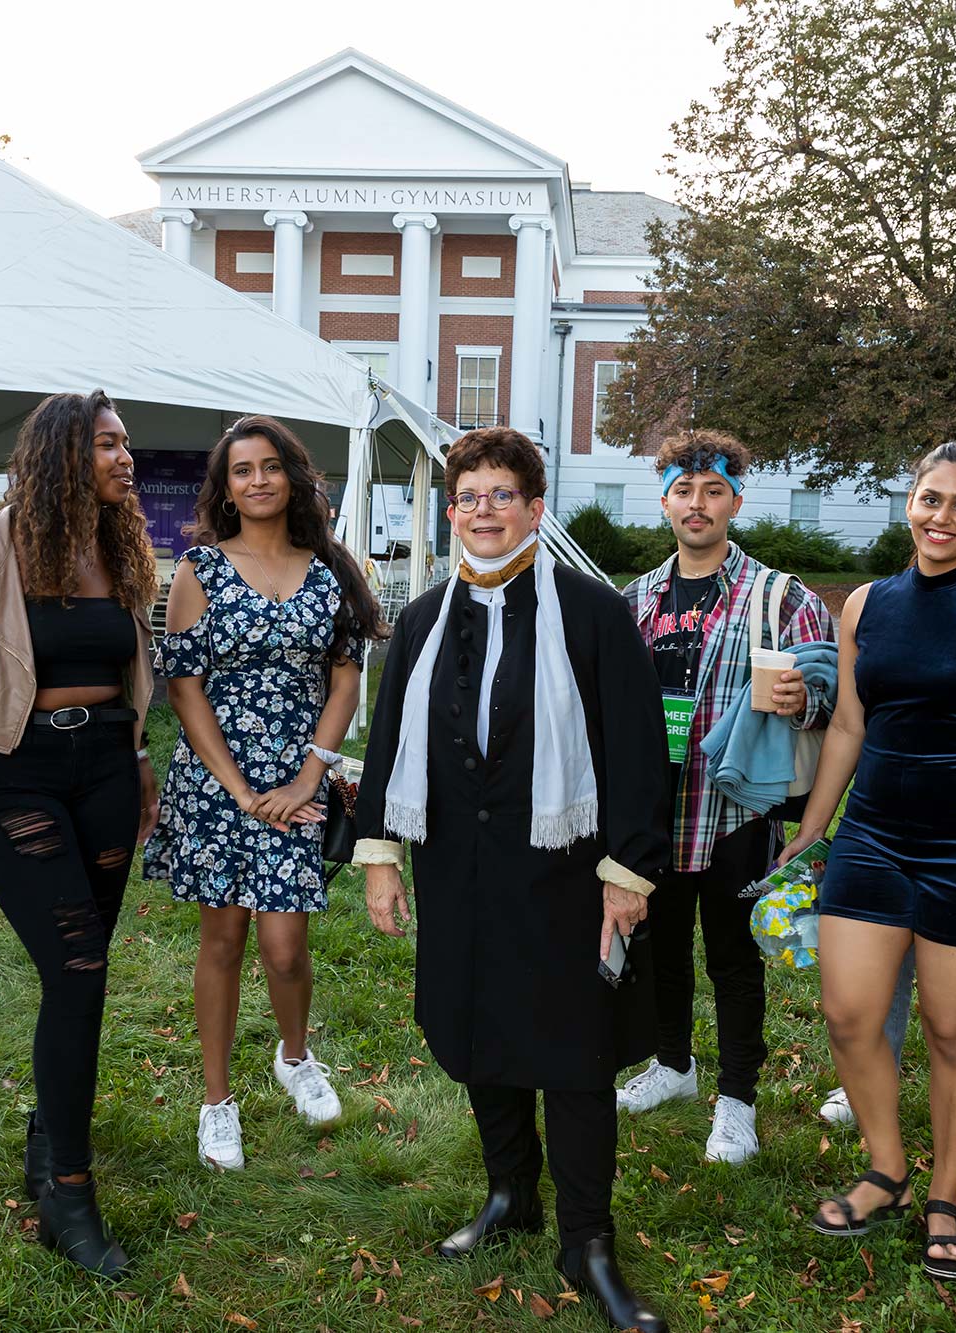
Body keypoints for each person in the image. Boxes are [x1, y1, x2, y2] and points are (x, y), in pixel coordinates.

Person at [355, 427, 673, 1333]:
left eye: (502, 495)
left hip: (570, 873)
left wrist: (628, 872)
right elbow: (387, 747)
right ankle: (510, 1194)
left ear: (536, 509)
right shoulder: (420, 617)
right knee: (478, 1029)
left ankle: (588, 1237)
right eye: (469, 497)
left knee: (573, 1054)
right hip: (458, 868)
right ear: (451, 510)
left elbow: (639, 753)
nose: (483, 512)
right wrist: (381, 857)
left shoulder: (592, 611)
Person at [783, 441, 956, 1283]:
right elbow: (850, 728)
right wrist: (812, 828)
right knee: (850, 1013)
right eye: (929, 499)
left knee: (951, 1029)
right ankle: (885, 1169)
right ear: (910, 501)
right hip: (872, 835)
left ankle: (946, 1196)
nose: (941, 518)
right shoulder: (866, 603)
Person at [0, 391, 159, 1275]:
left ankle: (46, 1130)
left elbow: (127, 667)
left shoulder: (118, 545)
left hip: (105, 766)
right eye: (108, 445)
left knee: (84, 965)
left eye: (126, 445)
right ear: (65, 451)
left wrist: (138, 758)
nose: (125, 459)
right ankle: (69, 1184)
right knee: (77, 968)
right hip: (12, 768)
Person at [144, 415, 381, 1172]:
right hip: (219, 779)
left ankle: (295, 1054)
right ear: (226, 487)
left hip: (299, 774)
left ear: (293, 476)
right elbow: (182, 689)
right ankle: (217, 1102)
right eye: (242, 469)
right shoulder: (200, 570)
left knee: (285, 946)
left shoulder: (333, 568)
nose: (258, 480)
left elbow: (345, 678)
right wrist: (243, 791)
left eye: (271, 466)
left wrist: (310, 774)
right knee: (225, 937)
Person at [615, 430, 832, 1164]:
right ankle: (674, 1066)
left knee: (734, 958)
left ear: (736, 499)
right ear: (666, 501)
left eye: (713, 490)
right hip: (655, 807)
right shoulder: (635, 600)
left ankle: (737, 1100)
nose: (697, 504)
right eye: (684, 489)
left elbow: (835, 702)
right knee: (661, 945)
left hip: (739, 806)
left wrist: (806, 696)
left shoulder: (781, 596)